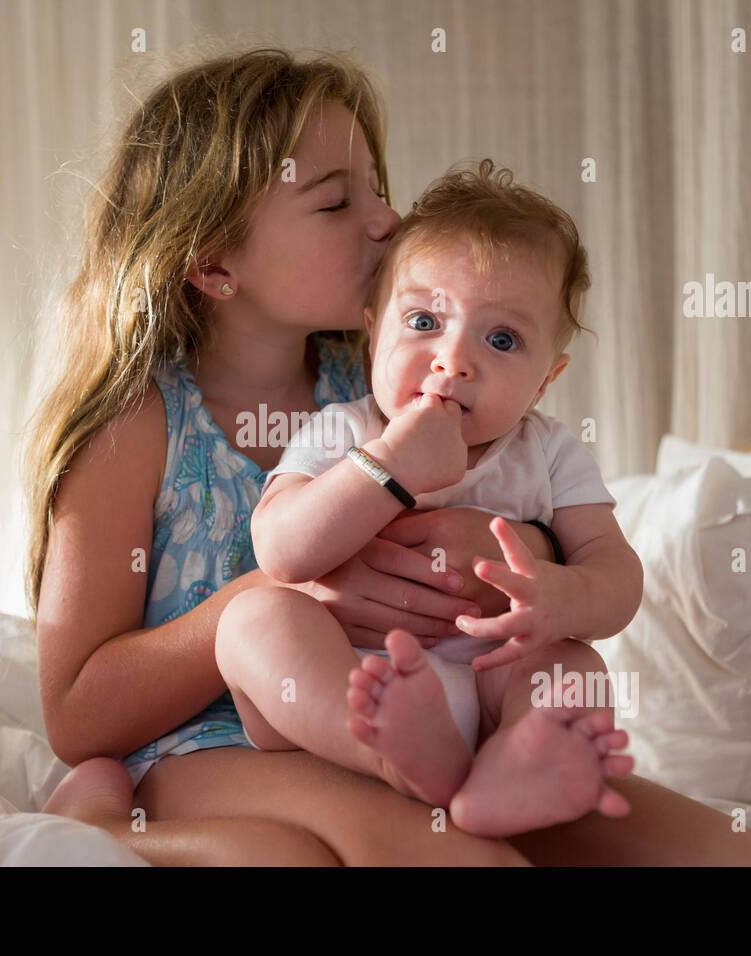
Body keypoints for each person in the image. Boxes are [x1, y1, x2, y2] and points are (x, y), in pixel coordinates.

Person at [26, 46, 751, 866]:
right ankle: (102, 829)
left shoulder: (390, 376)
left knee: (734, 861)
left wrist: (521, 552)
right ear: (213, 262)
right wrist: (299, 580)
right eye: (336, 202)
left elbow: (535, 497)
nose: (386, 220)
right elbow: (76, 717)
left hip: (443, 711)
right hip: (211, 745)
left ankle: (470, 772)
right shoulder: (137, 424)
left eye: (378, 190)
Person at [215, 159, 639, 837]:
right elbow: (281, 550)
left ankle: (519, 770)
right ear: (371, 330)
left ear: (544, 382)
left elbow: (617, 572)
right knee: (251, 624)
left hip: (494, 681)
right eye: (422, 320)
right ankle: (391, 755)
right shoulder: (346, 430)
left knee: (573, 667)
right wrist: (387, 468)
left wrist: (565, 597)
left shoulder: (549, 452)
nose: (454, 359)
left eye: (501, 339)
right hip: (350, 682)